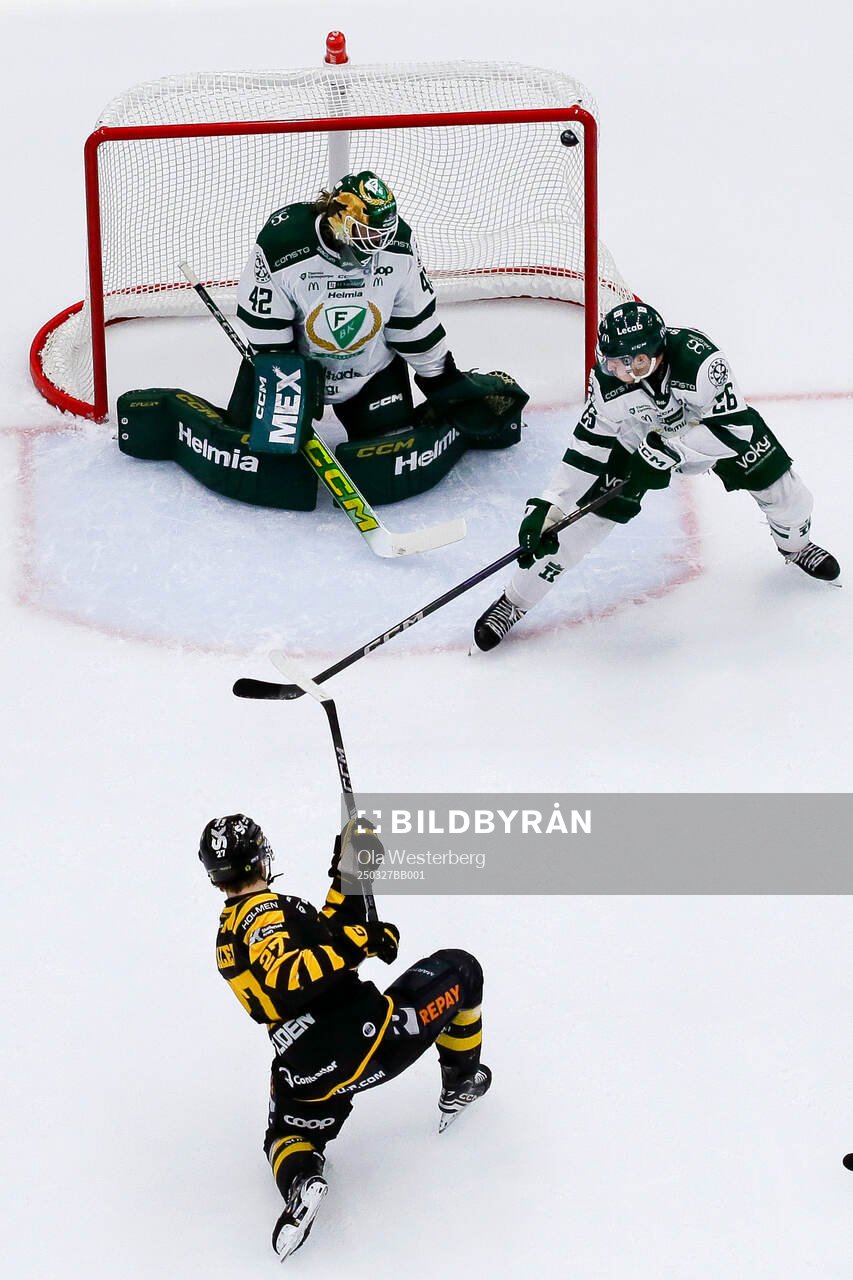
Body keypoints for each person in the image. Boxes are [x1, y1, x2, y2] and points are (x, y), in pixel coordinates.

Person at [198, 813, 491, 1261]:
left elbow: (326, 936)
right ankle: (460, 1083)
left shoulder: (230, 930)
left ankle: (302, 1182)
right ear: (258, 857)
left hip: (304, 1069)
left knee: (284, 1138)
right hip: (366, 1040)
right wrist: (362, 940)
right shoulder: (264, 913)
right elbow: (289, 976)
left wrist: (352, 870)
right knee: (463, 969)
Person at [474, 300, 840, 650]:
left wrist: (670, 452)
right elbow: (587, 447)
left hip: (711, 435)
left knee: (792, 499)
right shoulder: (606, 384)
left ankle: (796, 547)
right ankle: (515, 601)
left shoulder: (700, 361)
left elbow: (735, 430)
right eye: (609, 361)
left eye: (625, 364)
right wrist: (550, 503)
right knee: (570, 530)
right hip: (638, 442)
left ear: (649, 356)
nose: (614, 371)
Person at [228, 169, 527, 504]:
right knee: (264, 463)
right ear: (337, 217)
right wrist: (289, 385)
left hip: (370, 373)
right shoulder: (284, 243)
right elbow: (264, 324)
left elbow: (413, 320)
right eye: (366, 232)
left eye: (380, 234)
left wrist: (441, 378)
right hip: (290, 374)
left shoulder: (398, 245)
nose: (375, 244)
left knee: (386, 462)